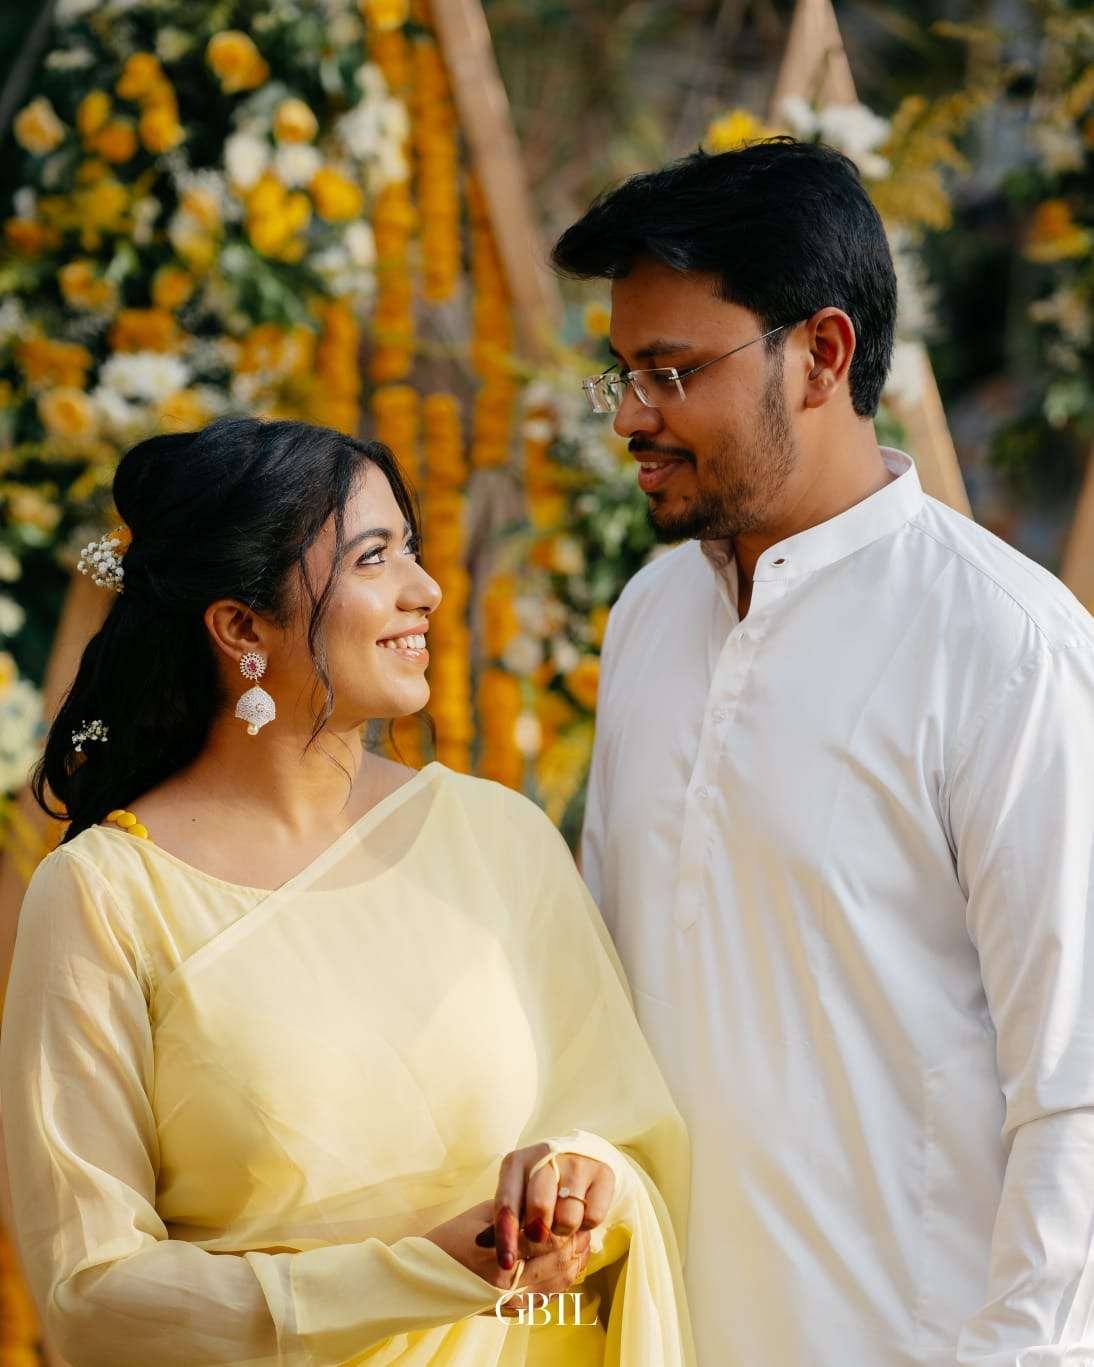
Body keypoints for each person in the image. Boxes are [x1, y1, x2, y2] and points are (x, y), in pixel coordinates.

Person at [552, 137, 1094, 1366]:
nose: (630, 416)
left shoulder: (1006, 650)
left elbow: (1075, 1081)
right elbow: (606, 999)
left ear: (822, 354)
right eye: (621, 375)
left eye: (669, 371)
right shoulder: (648, 617)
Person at [0, 416, 695, 1367]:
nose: (426, 589)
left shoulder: (498, 837)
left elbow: (631, 1138)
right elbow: (91, 1294)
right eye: (374, 558)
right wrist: (421, 1273)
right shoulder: (107, 896)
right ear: (242, 627)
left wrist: (578, 1185)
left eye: (410, 547)